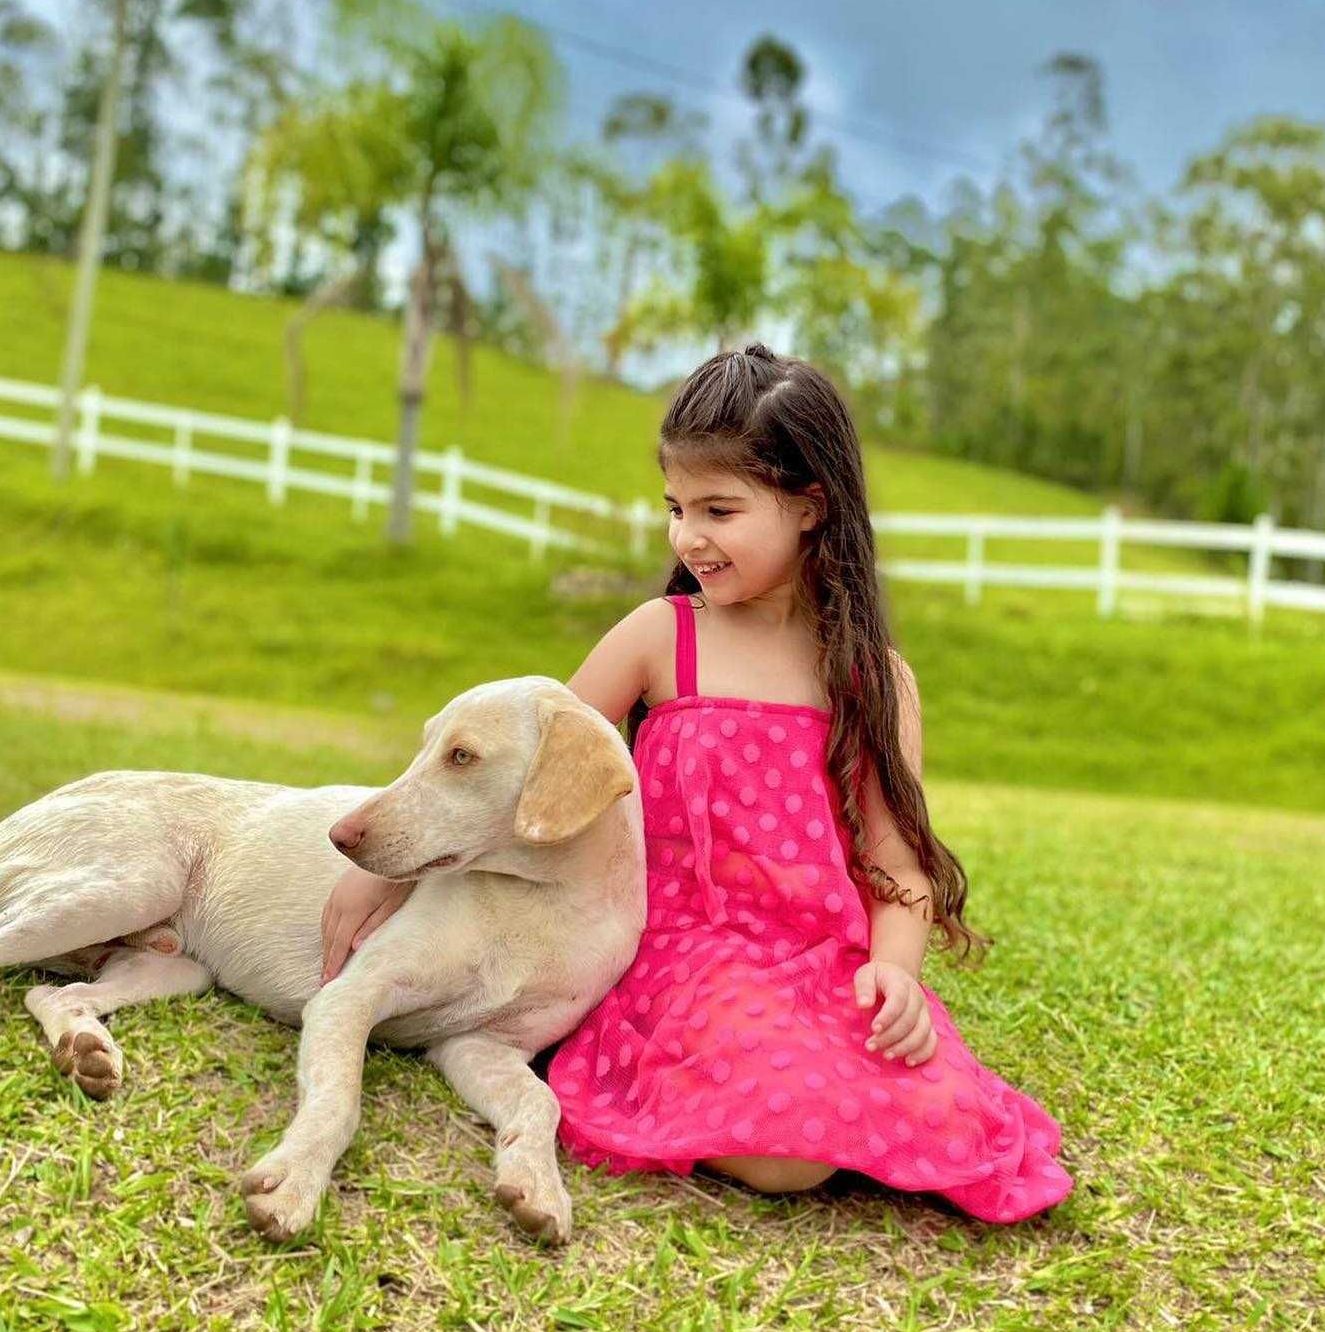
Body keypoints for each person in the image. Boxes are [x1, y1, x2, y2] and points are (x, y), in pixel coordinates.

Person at [320, 343, 1073, 1223]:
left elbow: (894, 856)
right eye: (677, 508)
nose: (688, 537)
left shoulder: (877, 680)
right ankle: (798, 1104)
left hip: (823, 963)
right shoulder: (657, 636)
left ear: (809, 508)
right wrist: (380, 868)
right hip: (683, 956)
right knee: (784, 1155)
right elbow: (513, 769)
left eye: (720, 509)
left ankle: (837, 1089)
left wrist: (895, 972)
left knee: (946, 1113)